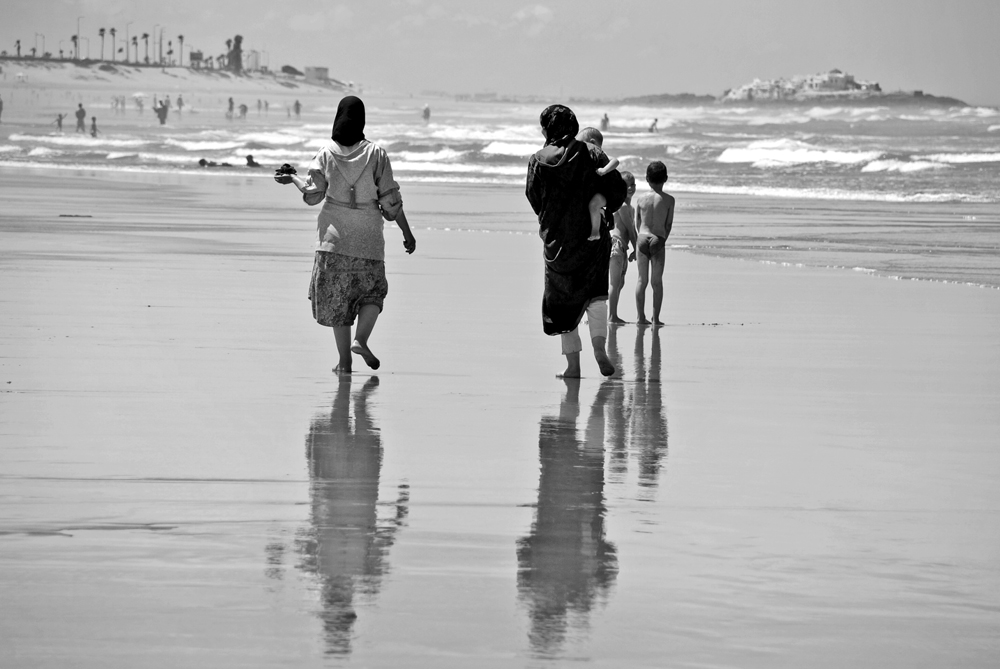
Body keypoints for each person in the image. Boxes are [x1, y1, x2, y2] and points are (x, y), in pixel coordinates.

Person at [276, 96, 417, 374]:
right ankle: (360, 340)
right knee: (372, 294)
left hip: (333, 238)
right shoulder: (377, 154)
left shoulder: (325, 153)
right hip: (368, 237)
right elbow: (390, 200)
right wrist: (407, 232)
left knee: (338, 300)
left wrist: (291, 178)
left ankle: (344, 361)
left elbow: (312, 194)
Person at [526, 104, 627, 379]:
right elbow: (618, 188)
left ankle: (573, 367)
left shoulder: (538, 159)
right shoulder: (592, 152)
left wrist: (554, 219)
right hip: (593, 241)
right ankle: (599, 349)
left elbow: (533, 197)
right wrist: (600, 202)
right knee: (595, 296)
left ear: (547, 128)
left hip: (557, 244)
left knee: (562, 303)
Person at [633, 161, 674, 326]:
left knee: (641, 280)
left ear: (646, 179)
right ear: (666, 178)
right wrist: (663, 239)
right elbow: (668, 224)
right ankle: (656, 319)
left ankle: (640, 318)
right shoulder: (669, 200)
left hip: (642, 237)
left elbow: (637, 221)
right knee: (656, 282)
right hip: (658, 238)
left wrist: (639, 237)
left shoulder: (641, 198)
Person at [576, 127, 620, 241]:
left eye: (581, 144)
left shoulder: (601, 155)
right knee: (592, 206)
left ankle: (595, 232)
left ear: (592, 143)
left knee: (594, 205)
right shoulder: (586, 158)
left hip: (605, 193)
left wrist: (604, 170)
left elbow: (615, 161)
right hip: (596, 191)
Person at [608, 171, 637, 324]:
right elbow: (631, 232)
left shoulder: (630, 208)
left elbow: (633, 231)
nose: (631, 188)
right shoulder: (623, 206)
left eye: (633, 184)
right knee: (615, 282)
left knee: (620, 283)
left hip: (622, 248)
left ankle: (613, 314)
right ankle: (612, 316)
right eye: (627, 185)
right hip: (616, 245)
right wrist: (637, 250)